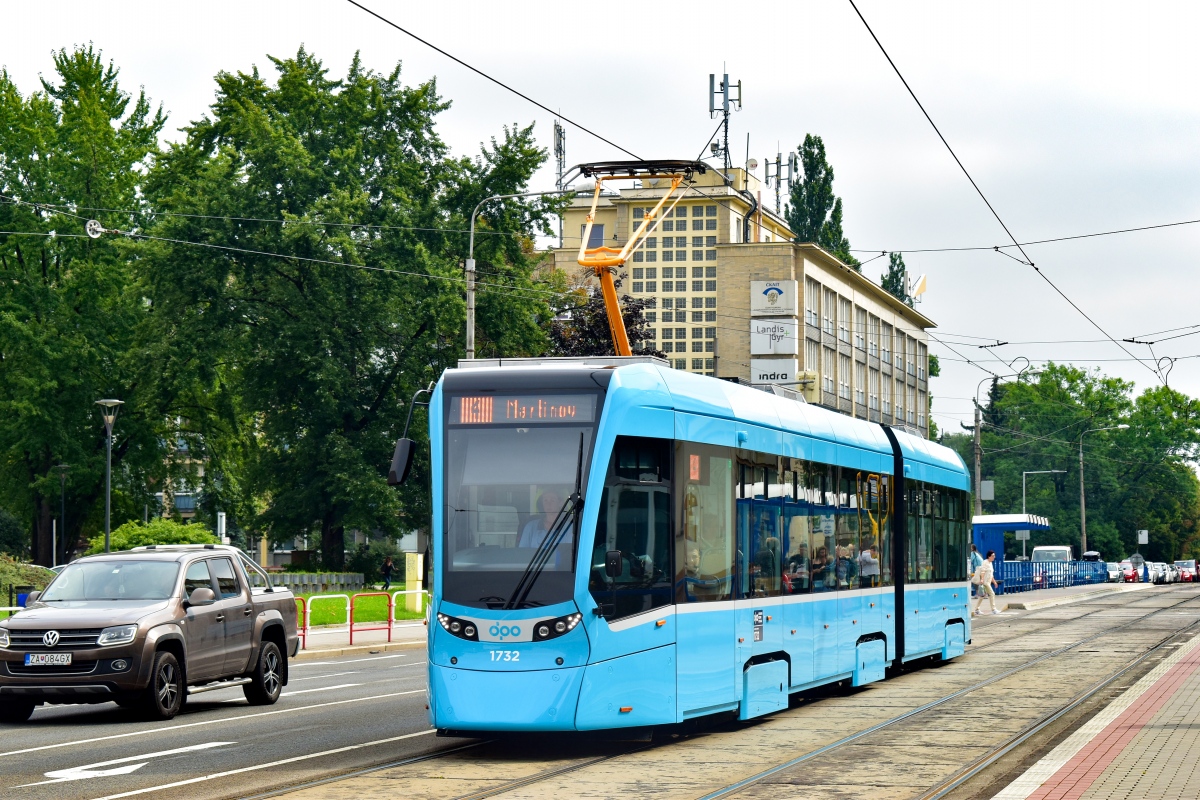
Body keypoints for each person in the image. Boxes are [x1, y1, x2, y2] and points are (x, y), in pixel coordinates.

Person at [972, 549, 1003, 616]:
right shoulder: (985, 562)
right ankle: (993, 609)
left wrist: (994, 582)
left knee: (982, 596)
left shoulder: (990, 563)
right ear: (989, 556)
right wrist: (982, 579)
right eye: (993, 556)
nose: (994, 557)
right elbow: (983, 571)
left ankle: (976, 609)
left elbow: (991, 575)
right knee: (992, 594)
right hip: (985, 582)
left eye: (994, 555)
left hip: (988, 582)